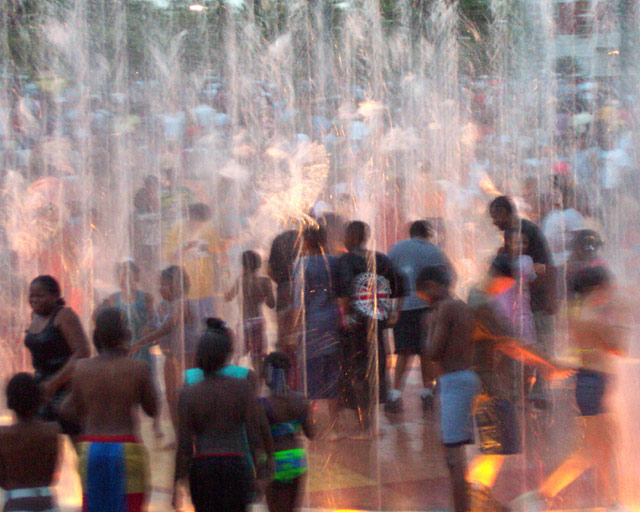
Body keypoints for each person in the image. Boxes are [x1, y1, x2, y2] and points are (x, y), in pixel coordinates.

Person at [512, 266, 629, 511]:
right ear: (596, 288)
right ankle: (543, 495)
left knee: (606, 447)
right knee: (591, 450)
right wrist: (621, 317)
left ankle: (612, 502)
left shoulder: (578, 312)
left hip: (591, 383)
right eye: (607, 287)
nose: (610, 291)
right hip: (595, 385)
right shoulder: (593, 316)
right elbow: (619, 347)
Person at [63, 307, 158, 512]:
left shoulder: (81, 368)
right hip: (127, 448)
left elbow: (68, 410)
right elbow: (153, 409)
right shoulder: (138, 368)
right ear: (125, 335)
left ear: (96, 336)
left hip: (91, 449)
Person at [173, 318, 272, 512]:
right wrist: (261, 472)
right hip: (236, 466)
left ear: (199, 356)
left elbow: (184, 446)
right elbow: (254, 435)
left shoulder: (189, 393)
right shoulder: (241, 388)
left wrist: (176, 483)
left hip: (202, 468)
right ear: (227, 354)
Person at [415, 265, 479, 512]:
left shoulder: (445, 309)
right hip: (462, 378)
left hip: (454, 382)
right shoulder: (462, 306)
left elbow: (433, 351)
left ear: (432, 285)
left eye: (424, 294)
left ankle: (462, 509)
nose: (426, 300)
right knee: (455, 456)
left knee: (453, 459)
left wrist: (428, 325)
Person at [336, 221, 404, 438]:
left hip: (355, 326)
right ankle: (372, 425)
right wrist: (395, 311)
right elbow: (400, 284)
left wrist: (345, 315)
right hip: (377, 324)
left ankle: (365, 427)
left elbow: (346, 293)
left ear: (351, 237)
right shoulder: (381, 258)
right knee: (376, 370)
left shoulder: (346, 261)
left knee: (357, 372)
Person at [489, 196, 555, 406]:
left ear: (506, 212)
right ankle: (523, 389)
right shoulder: (511, 234)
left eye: (496, 216)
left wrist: (551, 297)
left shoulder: (528, 230)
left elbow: (547, 266)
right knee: (524, 345)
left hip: (537, 300)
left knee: (540, 341)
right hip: (521, 303)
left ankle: (541, 389)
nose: (494, 222)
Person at [387, 220, 454, 412]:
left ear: (411, 233)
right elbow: (449, 277)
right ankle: (427, 392)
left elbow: (388, 276)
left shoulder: (396, 249)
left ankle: (395, 393)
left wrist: (391, 306)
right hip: (428, 307)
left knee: (404, 352)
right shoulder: (434, 251)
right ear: (427, 234)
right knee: (426, 351)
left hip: (404, 307)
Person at [130, 266, 195, 439]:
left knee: (184, 397)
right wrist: (149, 329)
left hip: (186, 357)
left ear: (177, 286)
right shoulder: (164, 306)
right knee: (171, 398)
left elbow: (166, 328)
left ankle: (190, 439)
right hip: (170, 357)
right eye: (160, 284)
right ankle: (178, 438)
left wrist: (140, 342)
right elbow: (160, 331)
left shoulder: (183, 304)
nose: (160, 289)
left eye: (164, 285)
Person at [100, 260, 161, 437]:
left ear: (136, 277)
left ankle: (156, 424)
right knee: (126, 386)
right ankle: (133, 425)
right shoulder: (113, 299)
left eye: (129, 273)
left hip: (143, 348)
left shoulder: (146, 298)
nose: (125, 277)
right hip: (123, 350)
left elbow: (154, 320)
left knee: (150, 384)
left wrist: (149, 328)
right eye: (122, 273)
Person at [24, 275, 90, 436]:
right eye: (31, 296)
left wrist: (55, 382)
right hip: (42, 387)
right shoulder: (35, 316)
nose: (34, 300)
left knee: (75, 435)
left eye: (39, 295)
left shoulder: (64, 315)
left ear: (55, 296)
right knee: (44, 441)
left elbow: (82, 353)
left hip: (67, 389)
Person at [292, 225, 341, 435]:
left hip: (311, 325)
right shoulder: (333, 261)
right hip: (332, 322)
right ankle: (334, 428)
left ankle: (309, 425)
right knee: (332, 374)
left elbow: (298, 301)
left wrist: (294, 329)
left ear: (306, 242)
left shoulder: (301, 264)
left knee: (310, 375)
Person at [0, 373, 61, 512]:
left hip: (15, 502)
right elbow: (52, 475)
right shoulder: (52, 430)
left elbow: (2, 481)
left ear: (10, 402)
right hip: (45, 501)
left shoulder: (3, 436)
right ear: (38, 400)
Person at [260, 352, 313, 512]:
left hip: (274, 462)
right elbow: (311, 433)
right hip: (297, 460)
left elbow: (260, 438)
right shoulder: (301, 400)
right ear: (289, 373)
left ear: (268, 375)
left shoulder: (263, 404)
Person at [166, 202, 224, 335]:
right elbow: (170, 257)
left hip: (206, 289)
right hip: (185, 291)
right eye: (197, 222)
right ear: (189, 217)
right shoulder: (178, 229)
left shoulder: (209, 229)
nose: (199, 226)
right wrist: (185, 247)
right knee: (187, 331)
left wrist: (227, 242)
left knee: (208, 330)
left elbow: (218, 249)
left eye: (202, 223)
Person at [225, 250, 275, 371]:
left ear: (243, 266)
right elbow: (271, 304)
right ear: (258, 265)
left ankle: (235, 382)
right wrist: (263, 293)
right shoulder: (264, 282)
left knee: (236, 356)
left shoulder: (240, 281)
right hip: (258, 321)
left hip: (244, 322)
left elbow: (228, 297)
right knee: (257, 360)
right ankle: (258, 386)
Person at [267, 224, 302, 386]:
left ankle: (283, 385)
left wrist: (282, 283)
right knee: (300, 339)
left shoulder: (278, 241)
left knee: (284, 341)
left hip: (283, 291)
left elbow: (269, 270)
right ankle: (301, 384)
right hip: (301, 290)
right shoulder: (303, 240)